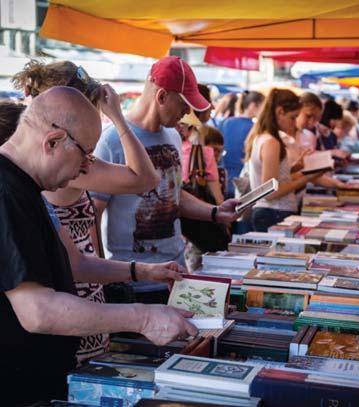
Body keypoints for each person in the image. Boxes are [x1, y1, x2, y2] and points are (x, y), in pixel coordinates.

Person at [0, 86, 198, 405]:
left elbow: (72, 265)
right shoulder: (7, 193)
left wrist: (142, 271)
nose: (85, 168)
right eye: (85, 154)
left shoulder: (24, 189)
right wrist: (142, 318)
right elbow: (37, 311)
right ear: (52, 141)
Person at [92, 56, 241, 266]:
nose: (188, 112)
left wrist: (215, 212)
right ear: (161, 96)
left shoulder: (172, 135)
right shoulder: (111, 141)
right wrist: (102, 273)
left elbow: (174, 195)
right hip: (131, 277)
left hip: (175, 269)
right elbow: (94, 213)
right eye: (184, 104)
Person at [244, 88, 324, 232]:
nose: (294, 123)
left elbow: (274, 179)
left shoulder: (263, 137)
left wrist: (293, 169)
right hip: (274, 212)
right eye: (292, 117)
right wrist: (307, 178)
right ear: (280, 112)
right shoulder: (271, 142)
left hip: (271, 212)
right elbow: (270, 192)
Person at [220, 91, 264, 198]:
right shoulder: (255, 128)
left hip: (224, 177)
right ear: (253, 105)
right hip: (243, 179)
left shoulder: (226, 122)